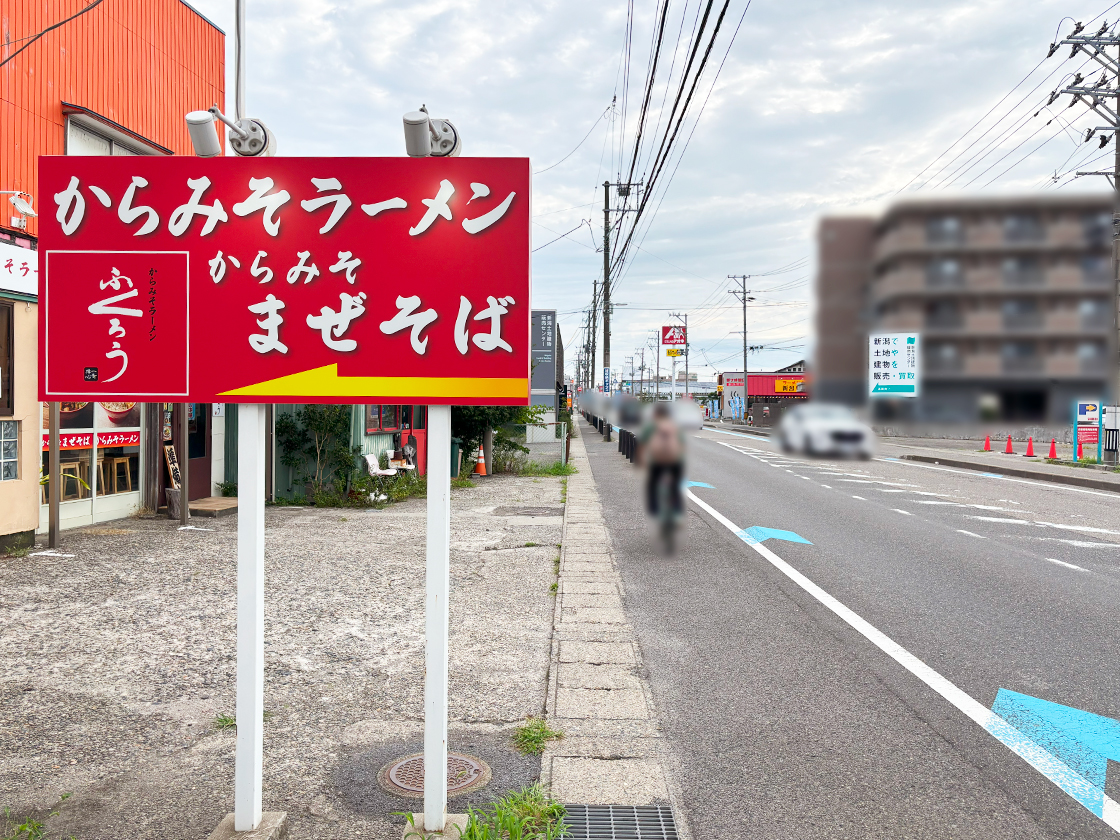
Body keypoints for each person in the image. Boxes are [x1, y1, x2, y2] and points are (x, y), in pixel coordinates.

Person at [639, 402, 685, 526]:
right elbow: (682, 445)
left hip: (657, 461)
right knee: (675, 486)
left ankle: (654, 510)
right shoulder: (674, 426)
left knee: (651, 485)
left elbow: (642, 445)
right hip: (675, 461)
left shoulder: (650, 426)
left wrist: (642, 461)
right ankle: (677, 511)